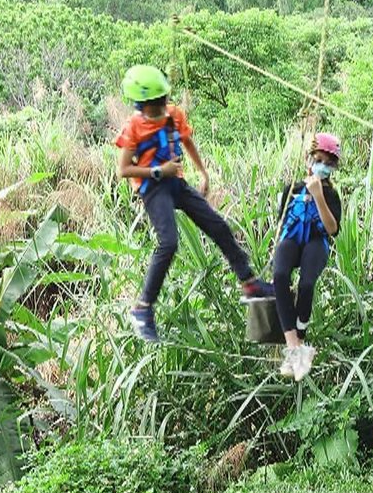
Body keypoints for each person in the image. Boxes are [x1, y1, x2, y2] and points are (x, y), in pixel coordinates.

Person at [115, 64, 271, 343]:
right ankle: (142, 309)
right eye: (155, 104)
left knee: (218, 225)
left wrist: (203, 172)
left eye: (163, 101)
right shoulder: (134, 128)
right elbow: (124, 169)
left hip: (177, 183)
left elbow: (186, 141)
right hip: (154, 188)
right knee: (168, 242)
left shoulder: (173, 115)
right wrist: (157, 170)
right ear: (141, 104)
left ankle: (249, 283)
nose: (162, 107)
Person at [273, 133, 343, 380]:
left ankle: (300, 343)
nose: (322, 166)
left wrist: (318, 195)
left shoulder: (331, 195)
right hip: (292, 237)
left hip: (316, 241)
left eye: (328, 162)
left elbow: (332, 229)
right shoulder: (291, 189)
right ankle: (294, 349)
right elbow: (282, 221)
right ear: (310, 159)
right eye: (319, 160)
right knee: (279, 275)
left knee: (306, 284)